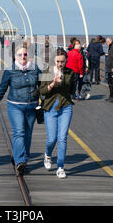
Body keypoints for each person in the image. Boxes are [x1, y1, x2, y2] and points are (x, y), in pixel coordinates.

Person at [0, 43, 42, 176]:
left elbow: (43, 86)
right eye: (20, 54)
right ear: (15, 56)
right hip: (15, 106)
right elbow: (2, 88)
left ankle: (21, 157)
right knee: (19, 132)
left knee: (28, 134)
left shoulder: (35, 69)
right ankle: (20, 161)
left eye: (25, 54)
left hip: (32, 106)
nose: (23, 56)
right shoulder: (10, 71)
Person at [40, 48, 75, 179]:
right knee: (52, 138)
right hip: (50, 108)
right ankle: (47, 155)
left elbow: (71, 89)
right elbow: (42, 91)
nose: (60, 64)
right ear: (54, 60)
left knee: (62, 138)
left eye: (63, 62)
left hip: (65, 107)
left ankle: (60, 167)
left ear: (66, 61)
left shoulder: (70, 73)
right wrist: (52, 84)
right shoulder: (47, 71)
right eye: (58, 61)